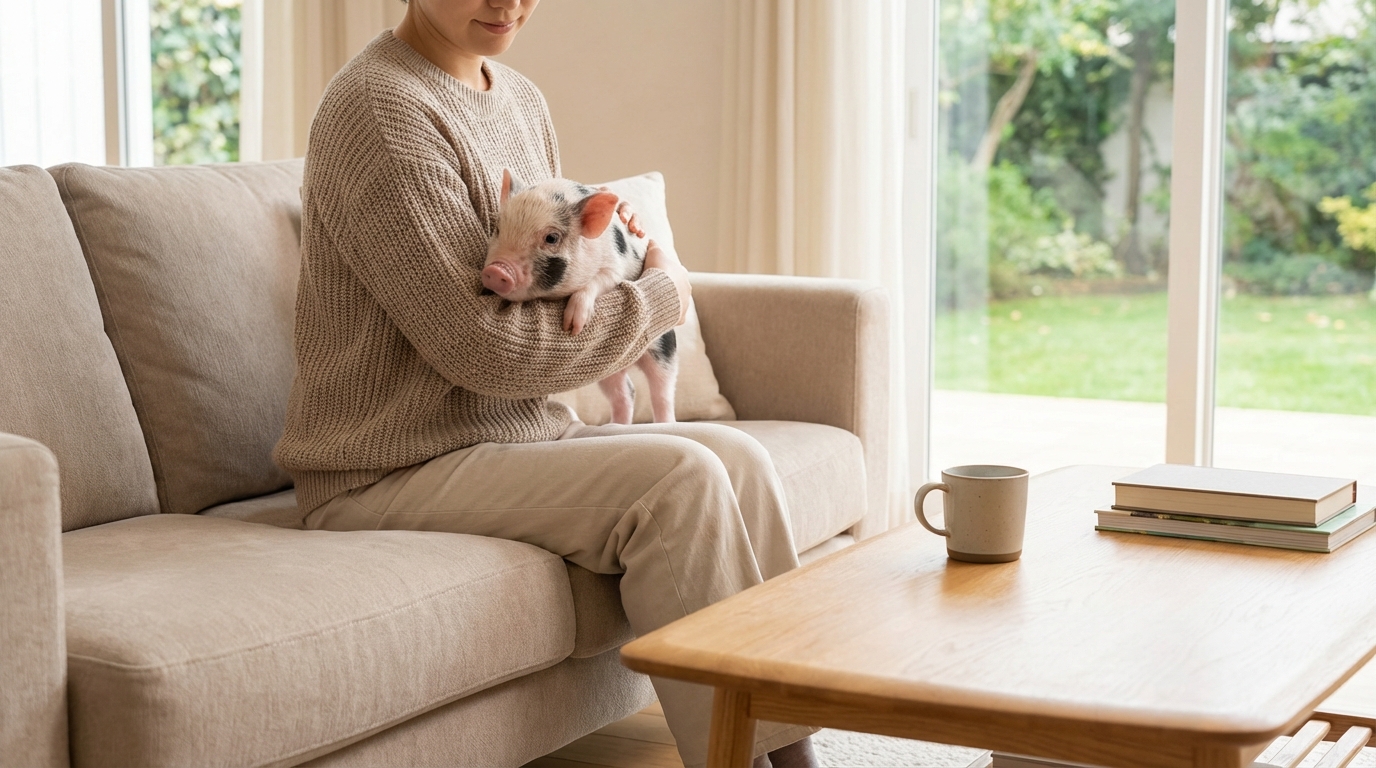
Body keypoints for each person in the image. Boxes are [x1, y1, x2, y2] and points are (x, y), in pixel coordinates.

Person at [273, 1, 819, 766]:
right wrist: (663, 293)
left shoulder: (521, 99)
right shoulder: (381, 108)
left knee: (740, 460)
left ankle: (792, 757)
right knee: (680, 478)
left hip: (513, 438)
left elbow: (556, 288)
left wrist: (620, 252)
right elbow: (486, 349)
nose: (509, 3)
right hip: (385, 466)